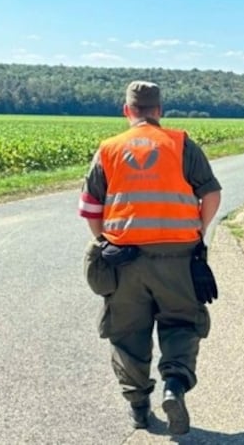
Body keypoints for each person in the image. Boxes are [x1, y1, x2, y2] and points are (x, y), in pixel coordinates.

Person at [79, 80, 222, 435]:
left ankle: (139, 408)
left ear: (127, 110)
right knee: (182, 324)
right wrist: (197, 233)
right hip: (178, 259)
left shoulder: (109, 149)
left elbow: (89, 208)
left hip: (124, 261)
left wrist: (103, 241)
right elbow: (212, 194)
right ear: (159, 111)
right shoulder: (181, 144)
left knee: (128, 334)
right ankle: (173, 384)